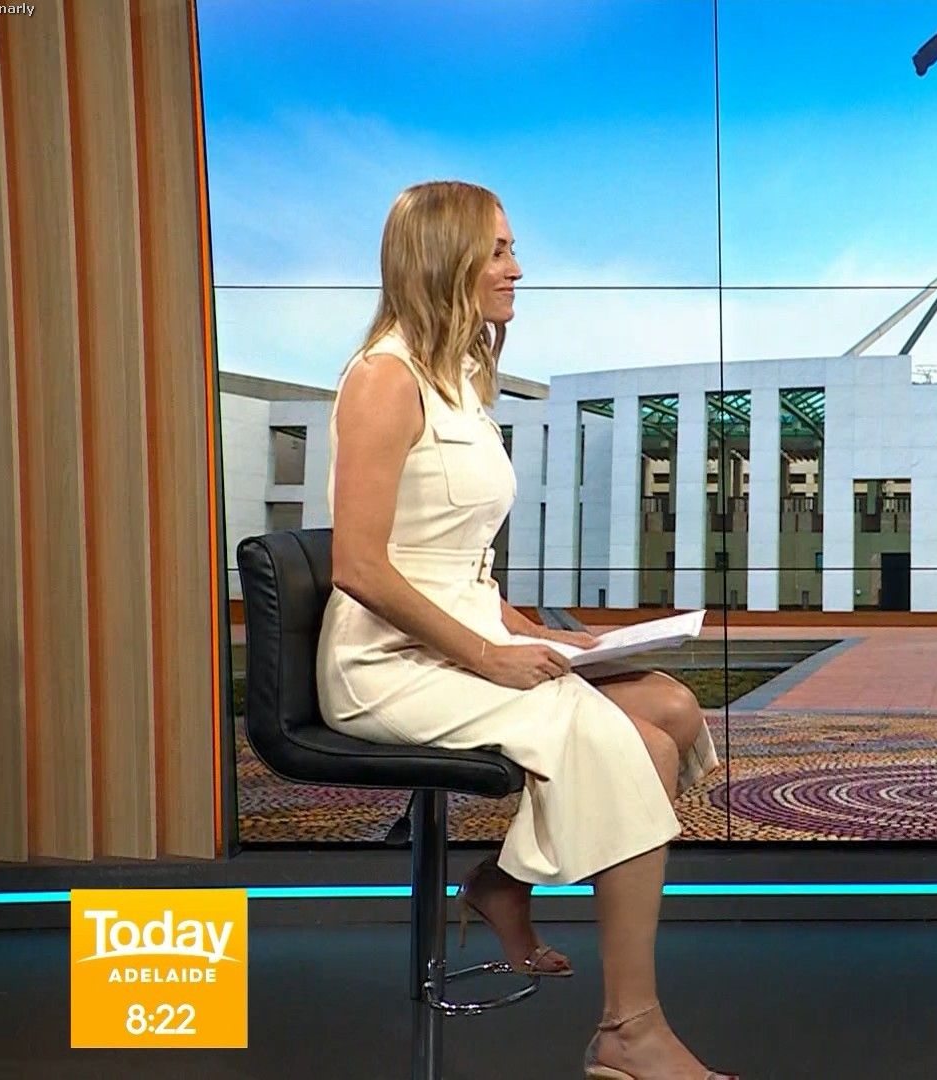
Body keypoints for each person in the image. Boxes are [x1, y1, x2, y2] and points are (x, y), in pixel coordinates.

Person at [317, 180, 734, 1080]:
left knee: (669, 705)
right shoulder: (384, 379)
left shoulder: (462, 380)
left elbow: (456, 559)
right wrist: (488, 656)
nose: (516, 268)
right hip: (386, 663)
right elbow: (360, 567)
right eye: (499, 250)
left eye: (511, 249)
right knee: (632, 744)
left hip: (464, 638)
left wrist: (544, 635)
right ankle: (630, 1031)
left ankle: (502, 883)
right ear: (446, 257)